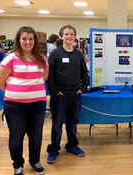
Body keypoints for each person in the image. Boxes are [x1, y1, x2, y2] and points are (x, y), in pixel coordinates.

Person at [0, 26, 49, 175]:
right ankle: (18, 165)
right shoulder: (11, 58)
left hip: (38, 105)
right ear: (19, 40)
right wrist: (15, 91)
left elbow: (44, 77)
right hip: (15, 106)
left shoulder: (42, 58)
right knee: (16, 136)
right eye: (24, 38)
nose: (28, 42)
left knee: (36, 135)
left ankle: (35, 161)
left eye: (31, 39)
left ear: (35, 41)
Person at [46, 25, 89, 163]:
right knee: (57, 125)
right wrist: (53, 91)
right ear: (61, 36)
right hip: (60, 95)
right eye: (66, 34)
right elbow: (49, 74)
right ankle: (53, 149)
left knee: (72, 123)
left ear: (75, 36)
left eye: (72, 34)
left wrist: (84, 87)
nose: (69, 36)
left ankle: (72, 146)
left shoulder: (79, 54)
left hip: (75, 95)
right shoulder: (55, 54)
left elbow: (84, 72)